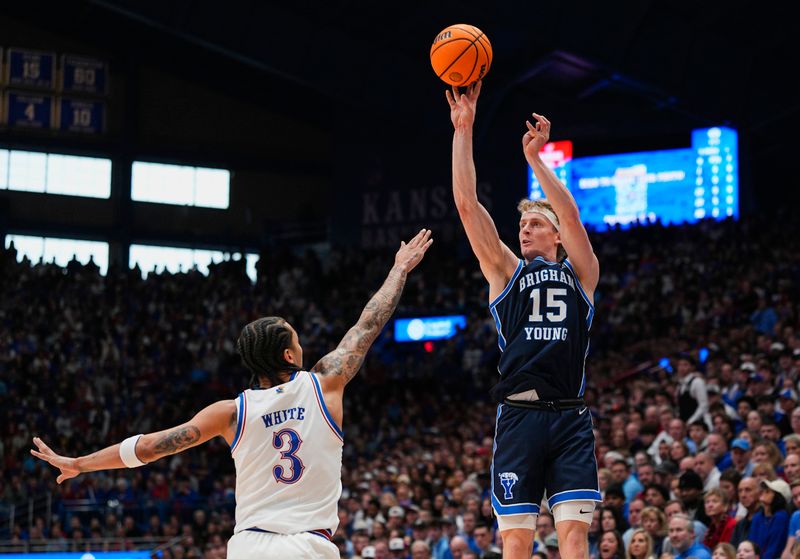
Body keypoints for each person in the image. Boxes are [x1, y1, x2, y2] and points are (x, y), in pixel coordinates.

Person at [29, 229, 434, 559]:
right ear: (290, 354)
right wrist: (399, 268)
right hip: (308, 545)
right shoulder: (324, 383)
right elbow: (367, 326)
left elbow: (150, 448)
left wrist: (81, 463)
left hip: (248, 547)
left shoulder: (231, 413)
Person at [447, 80, 600, 559]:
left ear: (555, 235)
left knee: (574, 537)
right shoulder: (505, 272)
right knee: (516, 541)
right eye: (522, 225)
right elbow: (467, 206)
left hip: (571, 414)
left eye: (535, 224)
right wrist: (463, 129)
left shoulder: (582, 275)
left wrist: (537, 161)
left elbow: (571, 213)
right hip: (519, 415)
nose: (525, 229)